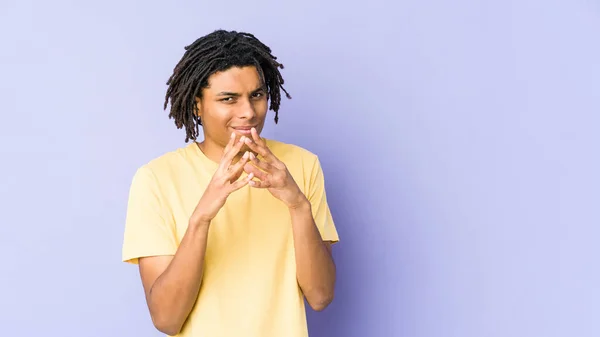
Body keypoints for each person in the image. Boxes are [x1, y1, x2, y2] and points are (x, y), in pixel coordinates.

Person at [121, 29, 339, 337]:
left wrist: (298, 205)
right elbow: (166, 319)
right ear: (197, 105)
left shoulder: (302, 165)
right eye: (228, 99)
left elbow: (320, 296)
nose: (248, 112)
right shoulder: (156, 179)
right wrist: (201, 217)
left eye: (257, 95)